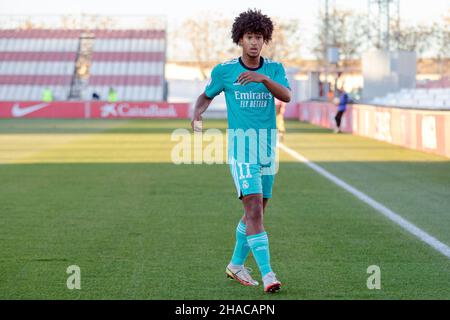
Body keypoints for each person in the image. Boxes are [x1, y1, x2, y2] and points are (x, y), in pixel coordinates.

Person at [191, 9, 291, 293]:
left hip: (267, 150)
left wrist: (263, 80)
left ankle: (235, 264)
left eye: (259, 37)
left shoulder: (274, 69)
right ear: (240, 39)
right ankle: (269, 274)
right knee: (254, 210)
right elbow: (205, 95)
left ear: (265, 39)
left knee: (257, 213)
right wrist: (198, 114)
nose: (254, 42)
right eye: (249, 37)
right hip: (241, 150)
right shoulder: (224, 71)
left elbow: (287, 96)